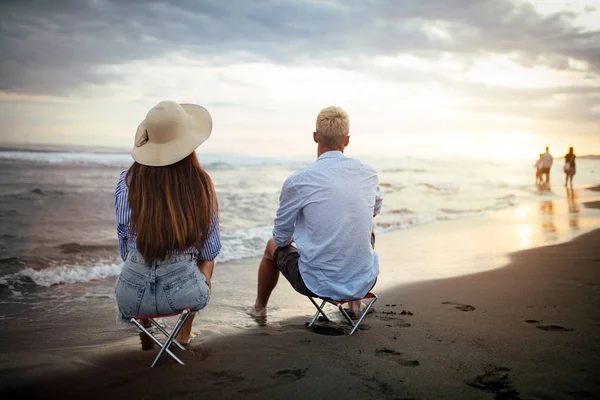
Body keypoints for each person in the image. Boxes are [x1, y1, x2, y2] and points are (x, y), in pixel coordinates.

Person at [250, 106, 383, 320]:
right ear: (347, 140)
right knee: (365, 225)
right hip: (365, 280)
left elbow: (281, 238)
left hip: (317, 284)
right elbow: (373, 210)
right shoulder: (368, 173)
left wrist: (299, 235)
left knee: (271, 246)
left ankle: (259, 308)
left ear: (315, 137)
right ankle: (354, 303)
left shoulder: (298, 181)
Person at [114, 101, 221, 348]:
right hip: (185, 295)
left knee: (136, 253)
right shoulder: (201, 184)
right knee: (206, 257)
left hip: (131, 298)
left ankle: (146, 330)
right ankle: (184, 333)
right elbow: (209, 250)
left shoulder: (126, 181)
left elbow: (124, 248)